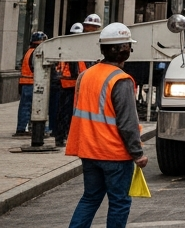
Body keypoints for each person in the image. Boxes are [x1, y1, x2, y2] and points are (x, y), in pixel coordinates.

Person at [66, 22, 148, 228]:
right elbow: (127, 122)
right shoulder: (121, 80)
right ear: (124, 50)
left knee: (90, 198)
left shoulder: (86, 75)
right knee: (119, 202)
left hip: (88, 150)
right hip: (114, 153)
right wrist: (137, 153)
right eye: (128, 46)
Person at [54, 23, 89, 148]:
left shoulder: (72, 49)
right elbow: (75, 70)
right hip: (70, 86)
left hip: (72, 85)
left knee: (68, 113)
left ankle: (64, 136)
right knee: (66, 113)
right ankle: (62, 137)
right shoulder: (73, 51)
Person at [15, 31, 47, 138]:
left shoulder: (28, 51)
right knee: (29, 107)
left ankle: (23, 127)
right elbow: (36, 68)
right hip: (31, 83)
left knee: (25, 106)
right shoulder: (36, 52)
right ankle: (23, 129)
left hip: (25, 83)